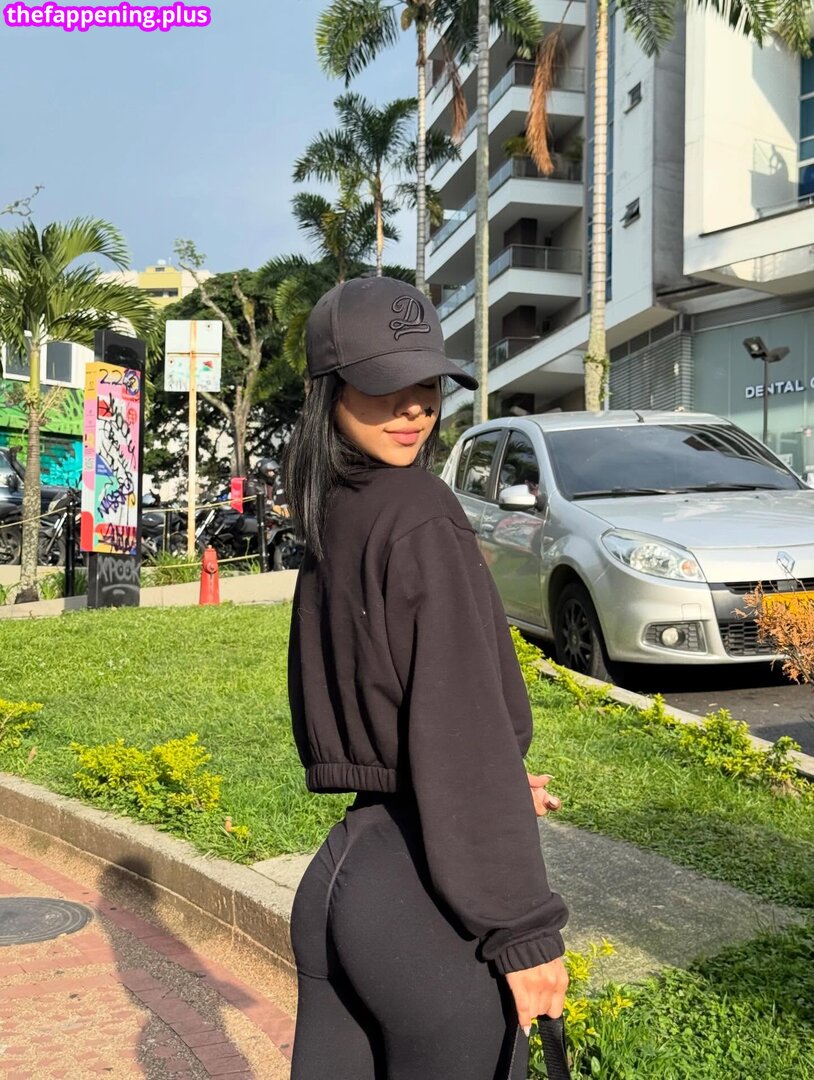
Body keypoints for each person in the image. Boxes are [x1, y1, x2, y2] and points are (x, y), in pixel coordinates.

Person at [283, 276, 568, 1080]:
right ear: (331, 391)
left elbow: (398, 706)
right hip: (424, 914)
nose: (413, 408)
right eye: (384, 386)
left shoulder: (336, 507)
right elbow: (459, 727)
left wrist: (490, 780)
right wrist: (525, 933)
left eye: (427, 385)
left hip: (345, 879)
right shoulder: (419, 509)